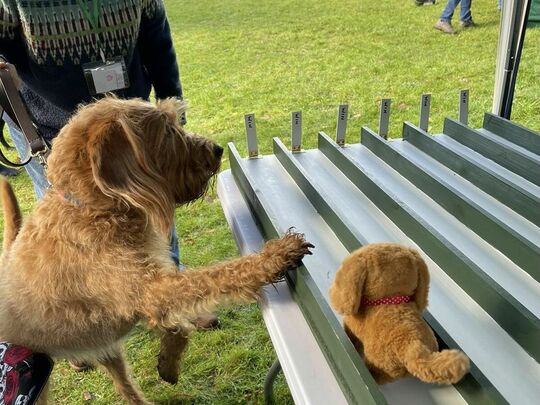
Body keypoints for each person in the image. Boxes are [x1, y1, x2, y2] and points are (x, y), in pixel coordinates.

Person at [0, 0, 218, 335]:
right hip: (56, 135)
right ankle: (71, 321)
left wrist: (174, 128)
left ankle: (173, 295)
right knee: (71, 234)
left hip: (131, 128)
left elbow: (156, 38)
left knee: (153, 209)